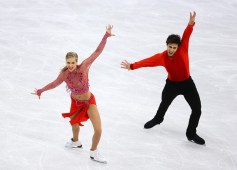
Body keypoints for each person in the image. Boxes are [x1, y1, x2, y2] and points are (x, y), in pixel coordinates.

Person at [32, 25, 114, 163]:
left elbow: (97, 51)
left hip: (89, 102)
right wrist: (41, 90)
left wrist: (106, 36)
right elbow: (54, 84)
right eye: (68, 62)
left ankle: (94, 152)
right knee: (74, 125)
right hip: (75, 103)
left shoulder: (85, 66)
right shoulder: (64, 75)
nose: (70, 65)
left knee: (98, 130)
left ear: (77, 62)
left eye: (72, 62)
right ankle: (76, 142)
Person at [121, 12, 205, 145]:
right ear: (166, 45)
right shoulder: (162, 57)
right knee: (164, 103)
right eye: (170, 47)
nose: (172, 49)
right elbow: (147, 62)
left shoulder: (183, 49)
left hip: (187, 84)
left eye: (174, 47)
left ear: (178, 47)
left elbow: (187, 35)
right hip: (171, 85)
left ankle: (191, 133)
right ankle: (158, 119)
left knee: (197, 109)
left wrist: (190, 23)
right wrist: (132, 66)